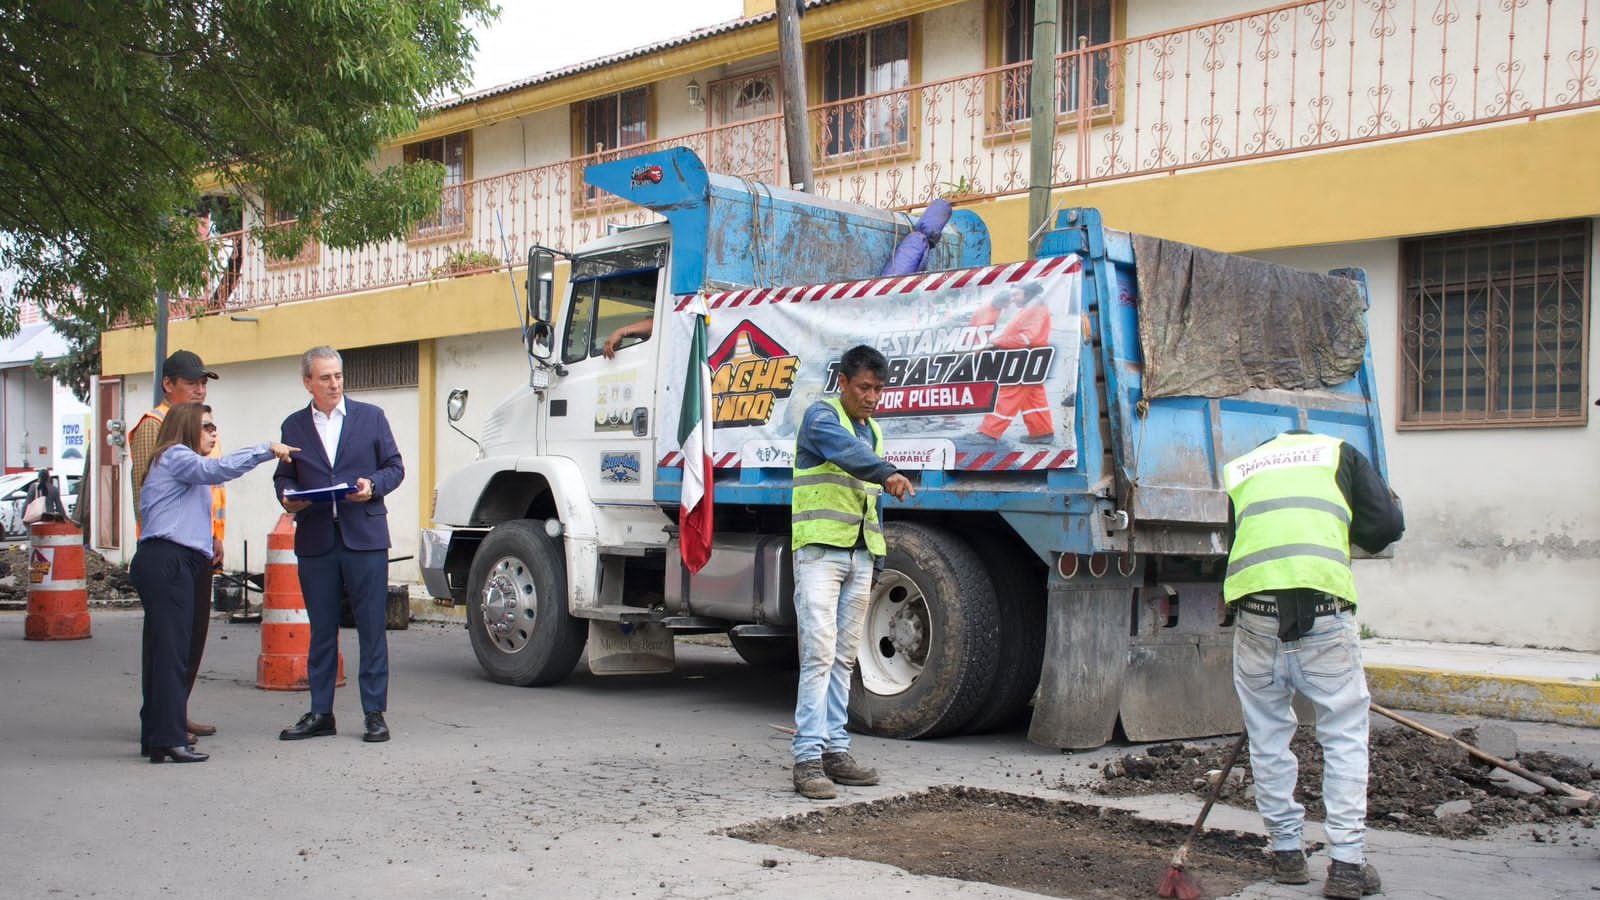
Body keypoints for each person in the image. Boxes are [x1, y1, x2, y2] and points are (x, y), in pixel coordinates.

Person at [1222, 429, 1404, 899]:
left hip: (1256, 619)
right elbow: (1383, 527)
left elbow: (1237, 538)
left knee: (1267, 735)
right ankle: (1346, 865)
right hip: (1324, 619)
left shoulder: (1246, 464)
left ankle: (1286, 853)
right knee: (1343, 738)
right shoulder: (1340, 454)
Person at [133, 403, 296, 762]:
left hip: (183, 560)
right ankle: (167, 738)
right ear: (187, 427)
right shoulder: (175, 456)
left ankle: (161, 737)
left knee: (177, 652)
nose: (213, 432)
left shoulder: (182, 465)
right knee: (172, 654)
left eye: (214, 426)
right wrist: (266, 449)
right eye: (206, 426)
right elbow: (218, 468)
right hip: (168, 560)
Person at [789, 344, 915, 799]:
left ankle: (835, 751)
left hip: (859, 556)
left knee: (843, 658)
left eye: (878, 389)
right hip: (820, 554)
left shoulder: (873, 432)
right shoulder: (821, 419)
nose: (872, 396)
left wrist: (875, 560)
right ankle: (807, 758)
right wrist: (888, 473)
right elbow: (845, 455)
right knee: (820, 656)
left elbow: (868, 505)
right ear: (842, 382)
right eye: (864, 387)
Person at [274, 346, 405, 744]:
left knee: (371, 628)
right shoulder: (293, 426)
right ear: (308, 382)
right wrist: (287, 497)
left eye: (338, 376)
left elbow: (395, 467)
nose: (334, 384)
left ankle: (374, 713)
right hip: (316, 538)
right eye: (325, 377)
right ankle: (321, 711)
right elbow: (284, 478)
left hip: (363, 536)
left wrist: (372, 486)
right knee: (322, 630)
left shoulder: (371, 418)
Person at [128, 349, 224, 742]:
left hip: (198, 545)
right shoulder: (157, 425)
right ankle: (162, 718)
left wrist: (215, 537)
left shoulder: (197, 424)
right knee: (168, 641)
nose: (199, 389)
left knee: (192, 634)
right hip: (170, 549)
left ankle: (175, 711)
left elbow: (205, 489)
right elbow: (146, 490)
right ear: (168, 385)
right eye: (191, 382)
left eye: (203, 382)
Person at [976, 281, 1054, 443]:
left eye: (1016, 295)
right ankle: (1042, 433)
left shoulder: (1035, 309)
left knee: (1007, 394)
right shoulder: (1032, 308)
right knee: (1033, 398)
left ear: (1028, 294)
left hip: (1024, 359)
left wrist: (998, 342)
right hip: (1030, 358)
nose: (1012, 299)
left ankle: (988, 433)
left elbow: (1027, 338)